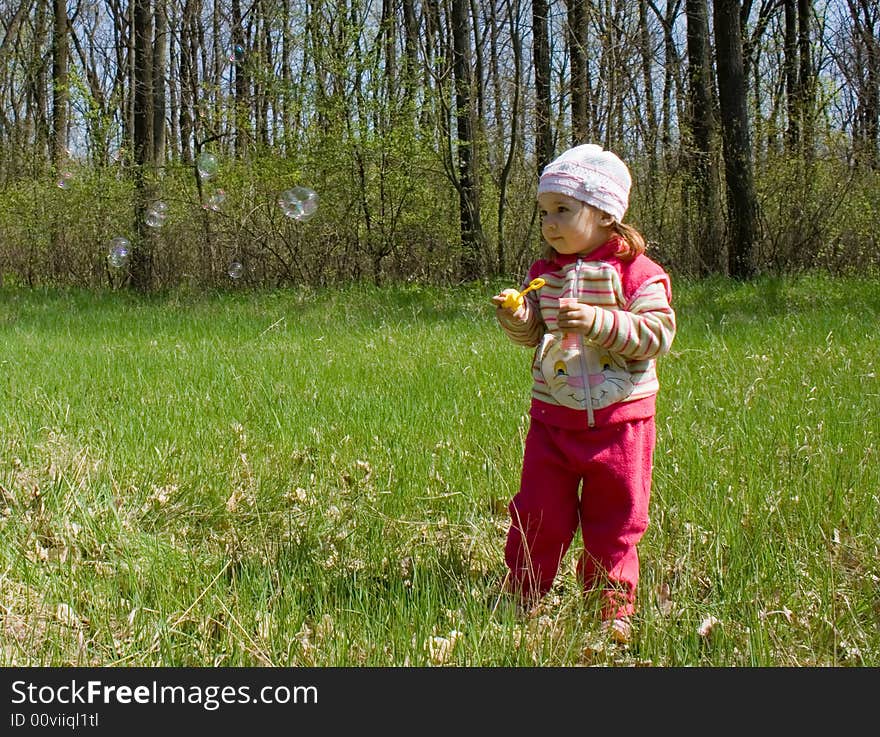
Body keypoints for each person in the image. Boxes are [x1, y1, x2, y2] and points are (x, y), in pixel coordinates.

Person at [492, 144, 676, 643]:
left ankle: (611, 608)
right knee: (537, 512)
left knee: (615, 519)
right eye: (544, 212)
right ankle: (523, 593)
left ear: (605, 212)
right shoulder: (543, 275)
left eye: (563, 210)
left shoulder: (636, 273)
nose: (549, 223)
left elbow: (657, 333)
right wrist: (518, 318)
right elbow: (535, 336)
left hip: (622, 423)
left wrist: (599, 322)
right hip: (553, 420)